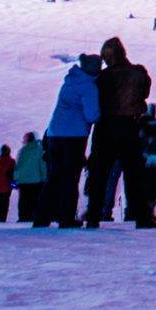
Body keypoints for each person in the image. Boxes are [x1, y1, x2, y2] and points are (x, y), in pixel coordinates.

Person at [85, 37, 156, 229]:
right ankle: (142, 216)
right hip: (129, 126)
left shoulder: (104, 77)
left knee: (100, 172)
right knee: (134, 174)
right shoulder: (138, 73)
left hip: (106, 126)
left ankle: (93, 214)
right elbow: (145, 92)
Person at [34, 53, 100, 228]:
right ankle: (66, 216)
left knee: (54, 176)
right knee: (70, 177)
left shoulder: (70, 80)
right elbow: (92, 114)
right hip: (74, 135)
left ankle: (42, 215)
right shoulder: (88, 86)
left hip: (55, 132)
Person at [12, 132, 46, 223]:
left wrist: (15, 180)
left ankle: (23, 217)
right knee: (34, 199)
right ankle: (33, 216)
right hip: (36, 179)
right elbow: (42, 164)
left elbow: (18, 166)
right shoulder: (39, 149)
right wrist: (45, 177)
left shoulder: (22, 150)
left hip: (23, 180)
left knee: (23, 200)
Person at [0, 144, 16, 223]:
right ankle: (1, 220)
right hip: (7, 187)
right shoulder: (11, 161)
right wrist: (14, 186)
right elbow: (13, 175)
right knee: (4, 205)